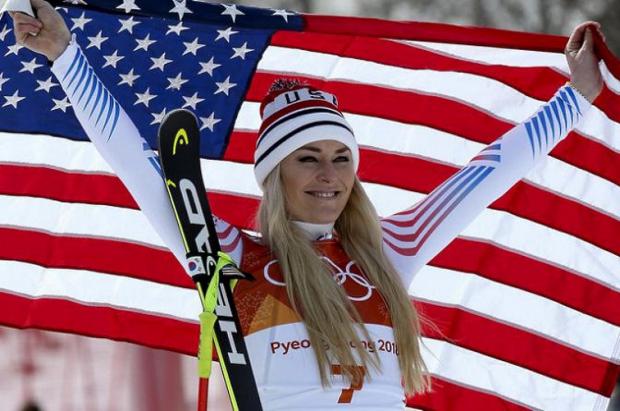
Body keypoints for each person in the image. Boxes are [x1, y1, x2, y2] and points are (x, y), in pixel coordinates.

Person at [9, 0, 605, 409]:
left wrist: (576, 99)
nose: (329, 175)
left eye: (341, 158)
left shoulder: (390, 250)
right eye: (307, 158)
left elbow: (490, 172)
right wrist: (66, 57)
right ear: (274, 175)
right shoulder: (233, 255)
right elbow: (137, 162)